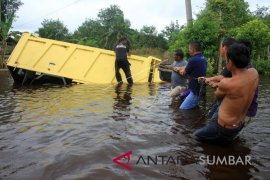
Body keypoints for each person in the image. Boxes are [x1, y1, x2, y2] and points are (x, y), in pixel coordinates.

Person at [194, 43, 259, 142]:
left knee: (195, 137)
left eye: (226, 59)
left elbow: (219, 97)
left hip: (223, 128)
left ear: (230, 62)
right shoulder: (254, 73)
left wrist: (214, 85)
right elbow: (234, 87)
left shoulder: (226, 83)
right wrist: (217, 84)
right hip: (239, 125)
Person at [203, 38, 258, 122]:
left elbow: (225, 87)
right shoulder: (252, 71)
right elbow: (234, 83)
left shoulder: (238, 65)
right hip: (245, 111)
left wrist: (219, 85)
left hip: (241, 112)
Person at [175, 41, 207, 109]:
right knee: (193, 108)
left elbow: (184, 73)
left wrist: (178, 70)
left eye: (189, 49)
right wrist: (181, 68)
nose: (188, 51)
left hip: (194, 91)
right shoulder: (203, 58)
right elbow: (189, 67)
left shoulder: (193, 60)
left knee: (183, 109)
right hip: (199, 90)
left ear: (193, 49)